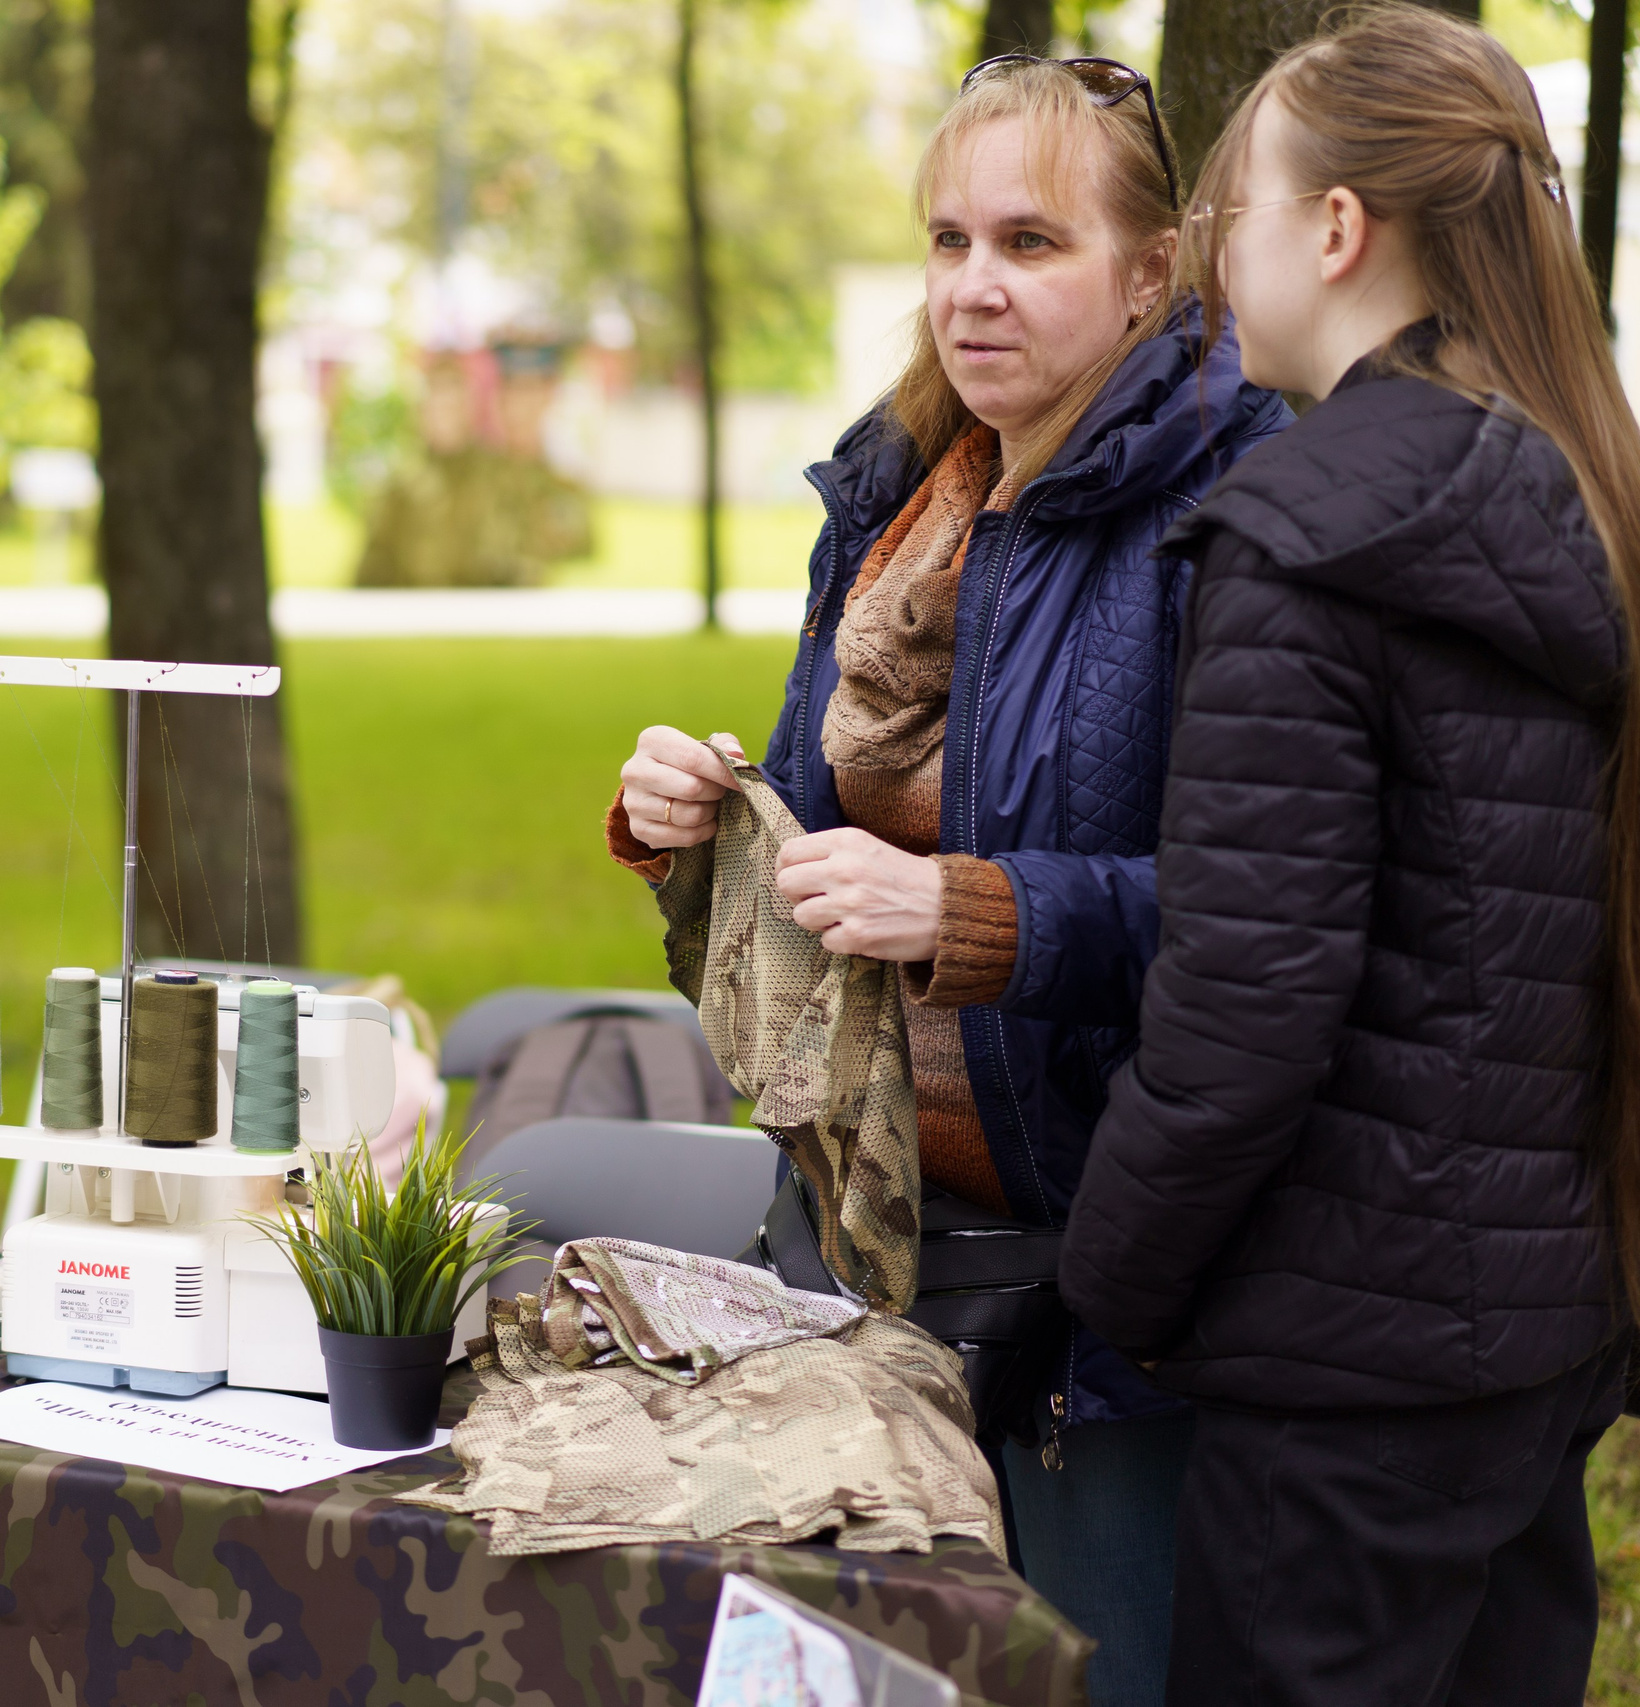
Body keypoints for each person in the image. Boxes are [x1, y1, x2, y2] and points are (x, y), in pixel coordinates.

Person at [609, 57, 1288, 1703]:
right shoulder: (897, 488)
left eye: (1032, 242)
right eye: (949, 240)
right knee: (859, 1673)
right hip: (867, 1239)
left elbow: (1276, 916)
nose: (975, 285)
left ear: (1151, 270)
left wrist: (975, 911)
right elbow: (821, 812)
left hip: (1105, 1282)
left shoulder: (1230, 505)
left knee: (1096, 1675)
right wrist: (695, 813)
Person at [1056, 10, 1636, 1702]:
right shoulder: (1580, 496)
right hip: (1540, 1342)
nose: (1211, 257)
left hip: (1345, 1377)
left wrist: (1104, 1288)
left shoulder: (1303, 540)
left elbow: (1241, 1019)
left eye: (1230, 211)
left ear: (1335, 229)